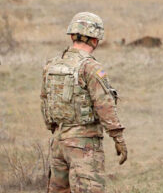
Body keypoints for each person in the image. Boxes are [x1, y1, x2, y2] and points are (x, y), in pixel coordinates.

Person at [41, 12, 127, 192]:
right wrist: (118, 138)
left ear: (72, 35)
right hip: (84, 144)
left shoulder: (52, 65)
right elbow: (104, 104)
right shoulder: (91, 67)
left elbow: (45, 101)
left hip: (58, 142)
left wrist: (58, 131)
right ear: (95, 40)